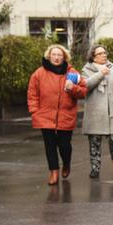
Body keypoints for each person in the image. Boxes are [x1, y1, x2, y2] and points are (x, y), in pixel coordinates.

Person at [27, 44, 87, 185]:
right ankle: (53, 171)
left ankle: (66, 163)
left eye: (59, 55)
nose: (56, 57)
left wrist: (73, 88)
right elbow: (32, 93)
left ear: (64, 57)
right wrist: (34, 111)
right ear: (49, 56)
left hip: (66, 116)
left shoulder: (72, 73)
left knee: (65, 145)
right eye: (53, 54)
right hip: (45, 115)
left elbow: (84, 91)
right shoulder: (39, 73)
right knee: (50, 145)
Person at [81, 45, 113, 179]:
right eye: (100, 53)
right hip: (96, 111)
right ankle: (95, 168)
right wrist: (101, 73)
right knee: (95, 142)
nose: (104, 55)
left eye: (104, 52)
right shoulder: (87, 69)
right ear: (93, 56)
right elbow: (86, 85)